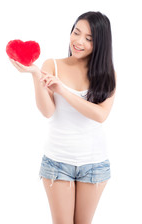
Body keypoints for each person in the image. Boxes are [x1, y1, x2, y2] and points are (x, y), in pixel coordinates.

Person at [9, 11, 116, 224]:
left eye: (88, 38)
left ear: (100, 43)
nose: (78, 41)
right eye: (76, 32)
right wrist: (36, 74)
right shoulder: (53, 65)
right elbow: (47, 111)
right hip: (57, 161)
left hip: (94, 164)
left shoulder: (106, 74)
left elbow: (100, 115)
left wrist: (62, 90)